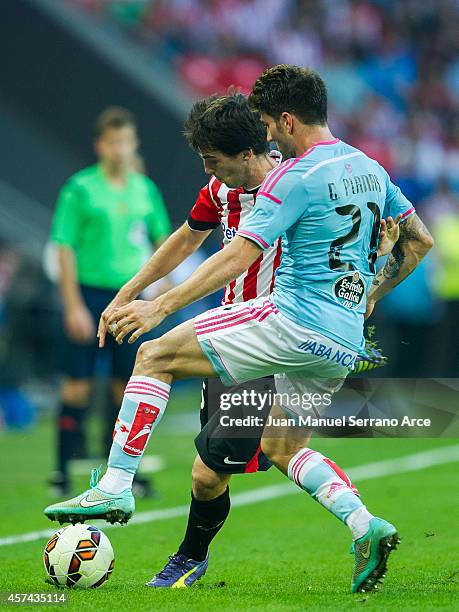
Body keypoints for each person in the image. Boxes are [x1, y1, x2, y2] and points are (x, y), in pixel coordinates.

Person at [45, 66, 433, 594]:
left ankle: (116, 487)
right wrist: (369, 295)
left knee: (155, 358)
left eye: (270, 123)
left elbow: (239, 253)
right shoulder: (365, 168)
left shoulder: (289, 178)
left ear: (281, 124)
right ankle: (366, 525)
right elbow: (419, 240)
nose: (267, 131)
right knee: (263, 453)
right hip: (328, 340)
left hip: (276, 328)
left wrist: (158, 307)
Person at [49, 106, 171, 496]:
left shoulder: (145, 189)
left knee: (127, 387)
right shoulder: (80, 188)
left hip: (129, 297)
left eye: (126, 141)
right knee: (77, 387)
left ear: (133, 144)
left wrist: (160, 288)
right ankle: (61, 472)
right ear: (100, 145)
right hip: (89, 293)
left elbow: (164, 243)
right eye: (113, 141)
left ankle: (120, 473)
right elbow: (64, 247)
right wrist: (72, 305)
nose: (120, 149)